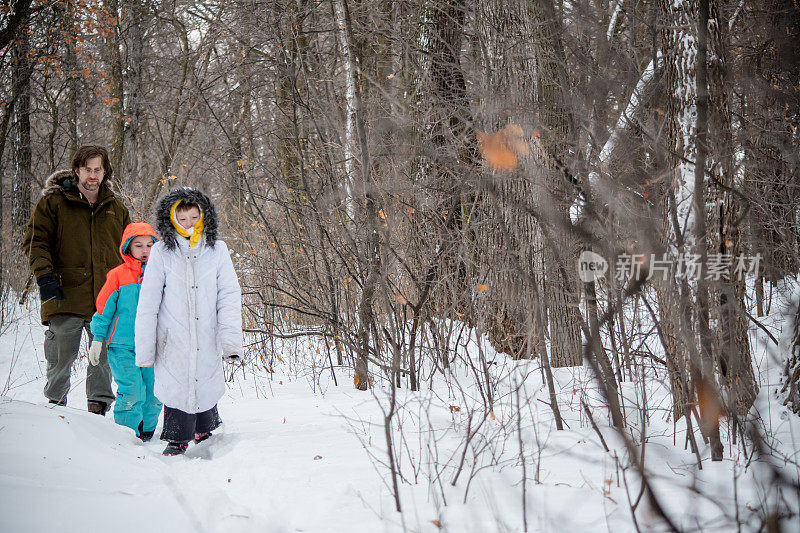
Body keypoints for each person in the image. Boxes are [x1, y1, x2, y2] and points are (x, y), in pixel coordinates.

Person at [22, 145, 130, 414]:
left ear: (105, 172)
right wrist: (45, 277)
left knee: (103, 360)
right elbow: (36, 242)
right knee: (60, 358)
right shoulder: (54, 202)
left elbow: (130, 250)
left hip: (105, 299)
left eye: (98, 170)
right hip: (63, 293)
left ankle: (98, 411)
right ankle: (56, 411)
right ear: (76, 170)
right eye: (87, 169)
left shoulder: (116, 208)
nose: (93, 175)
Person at [135, 187, 242, 456]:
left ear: (204, 216)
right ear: (171, 219)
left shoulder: (217, 250)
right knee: (176, 383)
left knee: (204, 378)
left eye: (193, 218)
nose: (188, 224)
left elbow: (228, 294)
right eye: (182, 219)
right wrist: (146, 348)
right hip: (173, 334)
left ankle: (204, 428)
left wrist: (230, 341)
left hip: (207, 331)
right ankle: (176, 437)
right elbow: (148, 301)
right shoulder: (161, 251)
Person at [89, 222, 163, 441]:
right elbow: (103, 309)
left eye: (150, 245)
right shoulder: (117, 275)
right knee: (132, 390)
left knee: (154, 392)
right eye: (139, 245)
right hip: (122, 345)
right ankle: (126, 434)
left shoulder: (161, 274)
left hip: (152, 344)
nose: (145, 251)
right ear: (128, 247)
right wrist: (98, 338)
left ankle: (147, 431)